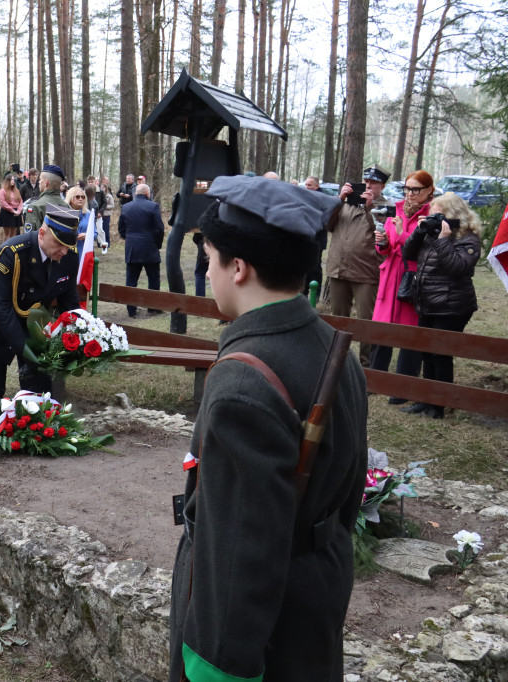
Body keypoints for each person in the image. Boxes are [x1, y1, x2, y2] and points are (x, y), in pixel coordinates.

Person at [169, 175, 367, 682]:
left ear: (238, 267)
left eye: (210, 256)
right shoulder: (334, 348)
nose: (206, 269)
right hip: (314, 599)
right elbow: (346, 501)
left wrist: (218, 667)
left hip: (259, 634)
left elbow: (238, 550)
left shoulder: (242, 382)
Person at [0, 205, 80, 406]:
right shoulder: (12, 252)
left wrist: (80, 334)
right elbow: (0, 305)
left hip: (33, 327)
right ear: (42, 233)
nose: (64, 250)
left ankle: (36, 432)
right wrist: (24, 349)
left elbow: (69, 301)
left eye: (68, 245)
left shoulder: (69, 257)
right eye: (58, 243)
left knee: (39, 388)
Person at [400, 192, 482, 419]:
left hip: (452, 306)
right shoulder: (431, 233)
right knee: (427, 352)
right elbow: (408, 253)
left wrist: (444, 239)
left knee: (441, 354)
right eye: (431, 215)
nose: (433, 219)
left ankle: (438, 406)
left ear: (452, 215)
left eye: (437, 215)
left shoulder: (469, 238)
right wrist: (421, 230)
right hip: (427, 301)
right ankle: (425, 400)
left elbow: (458, 268)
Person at [371, 170, 431, 396]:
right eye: (407, 188)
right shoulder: (395, 210)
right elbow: (386, 249)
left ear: (428, 191)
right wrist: (382, 242)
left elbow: (422, 250)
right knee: (382, 328)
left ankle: (403, 388)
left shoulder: (431, 215)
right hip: (389, 276)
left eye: (415, 189)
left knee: (408, 331)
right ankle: (376, 380)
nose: (410, 194)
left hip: (411, 278)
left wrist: (401, 233)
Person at [327, 166, 391, 367]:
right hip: (339, 268)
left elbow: (382, 233)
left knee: (366, 322)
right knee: (338, 320)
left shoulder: (385, 207)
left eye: (373, 183)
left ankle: (367, 366)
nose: (368, 185)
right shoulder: (346, 204)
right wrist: (339, 200)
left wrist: (369, 207)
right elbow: (327, 224)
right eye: (366, 181)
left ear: (382, 186)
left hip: (366, 271)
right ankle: (338, 363)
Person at [118, 184, 165, 318]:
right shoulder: (153, 206)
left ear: (136, 193)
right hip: (150, 247)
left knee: (131, 279)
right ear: (147, 194)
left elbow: (121, 228)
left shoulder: (126, 207)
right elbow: (159, 229)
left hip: (132, 247)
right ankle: (153, 307)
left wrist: (130, 239)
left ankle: (131, 310)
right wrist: (157, 244)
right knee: (154, 278)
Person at [23, 164, 70, 234]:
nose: (39, 181)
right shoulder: (67, 207)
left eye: (40, 179)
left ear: (46, 183)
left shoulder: (35, 207)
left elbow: (30, 237)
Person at [0, 173, 24, 241]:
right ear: (8, 181)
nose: (13, 181)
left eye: (14, 180)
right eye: (12, 179)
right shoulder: (2, 191)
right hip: (7, 213)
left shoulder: (16, 190)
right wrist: (12, 210)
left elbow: (20, 201)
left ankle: (12, 249)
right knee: (7, 234)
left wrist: (18, 210)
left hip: (16, 213)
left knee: (13, 233)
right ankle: (7, 249)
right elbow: (3, 203)